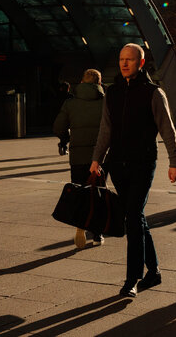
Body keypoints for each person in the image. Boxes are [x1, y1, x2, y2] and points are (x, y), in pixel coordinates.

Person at [90, 44, 176, 298]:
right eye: (121, 59)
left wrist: (175, 161)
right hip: (118, 164)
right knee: (136, 216)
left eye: (130, 60)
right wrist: (96, 158)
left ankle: (132, 279)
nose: (124, 63)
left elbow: (167, 129)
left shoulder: (153, 93)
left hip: (143, 163)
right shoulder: (113, 92)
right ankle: (154, 271)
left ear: (140, 63)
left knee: (132, 216)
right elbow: (105, 129)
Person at [53, 68, 106, 249]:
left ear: (82, 82)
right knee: (97, 194)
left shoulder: (70, 103)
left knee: (79, 192)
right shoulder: (105, 103)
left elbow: (58, 126)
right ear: (99, 83)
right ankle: (97, 233)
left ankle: (80, 226)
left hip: (77, 157)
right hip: (99, 158)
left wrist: (65, 139)